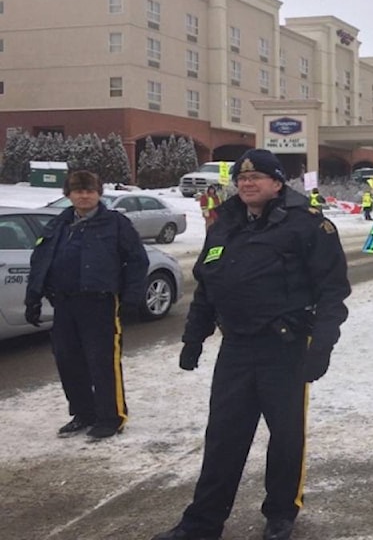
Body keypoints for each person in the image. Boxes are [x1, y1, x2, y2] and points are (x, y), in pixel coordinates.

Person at [152, 149, 350, 540]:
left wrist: (321, 347)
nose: (247, 183)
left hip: (286, 347)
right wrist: (194, 338)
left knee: (286, 436)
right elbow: (208, 287)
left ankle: (280, 514)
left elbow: (333, 292)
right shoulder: (224, 224)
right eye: (242, 178)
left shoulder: (307, 226)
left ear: (277, 183)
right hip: (237, 348)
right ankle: (202, 523)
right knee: (223, 436)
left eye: (257, 177)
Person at [24, 170, 148, 440]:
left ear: (98, 193)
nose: (84, 196)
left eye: (89, 191)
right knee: (68, 361)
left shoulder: (115, 223)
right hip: (65, 304)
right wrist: (33, 296)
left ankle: (110, 417)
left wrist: (130, 299)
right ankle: (83, 413)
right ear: (68, 194)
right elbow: (41, 260)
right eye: (78, 191)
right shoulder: (58, 224)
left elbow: (138, 261)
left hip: (100, 304)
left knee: (102, 362)